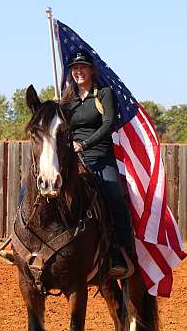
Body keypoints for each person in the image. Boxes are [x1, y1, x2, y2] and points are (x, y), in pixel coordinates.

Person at [60, 50, 134, 279]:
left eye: (82, 67)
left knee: (114, 199)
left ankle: (122, 254)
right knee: (31, 188)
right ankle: (20, 242)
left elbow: (109, 124)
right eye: (74, 68)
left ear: (92, 70)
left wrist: (84, 144)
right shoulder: (66, 101)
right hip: (71, 160)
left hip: (99, 158)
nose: (78, 71)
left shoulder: (104, 94)